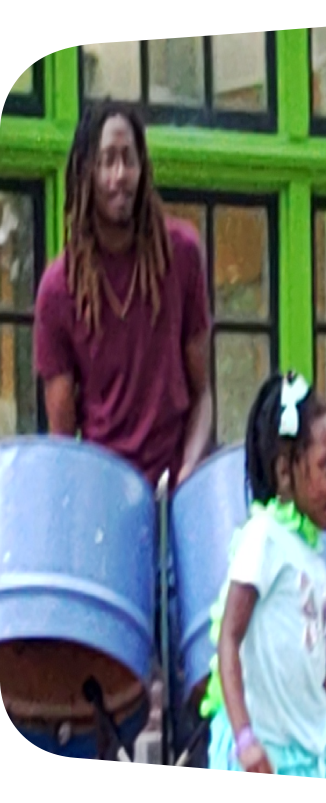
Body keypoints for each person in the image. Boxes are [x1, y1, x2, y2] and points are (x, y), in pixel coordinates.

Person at [32, 100, 213, 761]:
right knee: (105, 701)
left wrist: (189, 476)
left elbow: (204, 393)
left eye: (128, 157)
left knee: (200, 683)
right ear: (85, 171)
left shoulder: (182, 254)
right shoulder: (57, 289)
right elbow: (64, 442)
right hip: (108, 516)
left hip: (180, 497)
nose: (119, 174)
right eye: (106, 159)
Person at [200, 371, 326, 779]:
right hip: (263, 750)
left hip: (312, 749)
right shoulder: (263, 537)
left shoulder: (311, 553)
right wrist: (244, 738)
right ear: (286, 471)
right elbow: (228, 637)